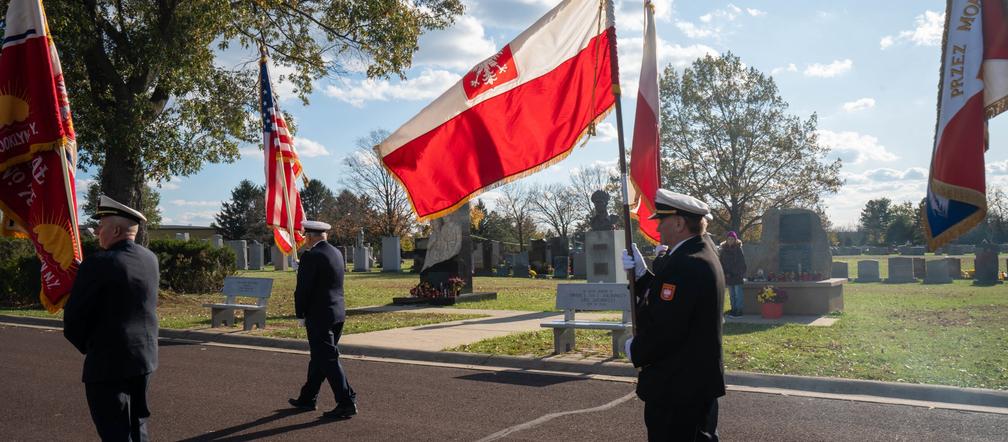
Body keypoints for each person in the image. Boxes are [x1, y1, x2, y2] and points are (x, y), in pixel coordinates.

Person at [621, 189, 726, 441]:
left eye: (662, 221)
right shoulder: (698, 253)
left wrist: (636, 349)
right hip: (693, 383)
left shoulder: (687, 263)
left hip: (678, 387)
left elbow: (668, 326)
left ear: (679, 223)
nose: (657, 228)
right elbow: (673, 301)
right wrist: (642, 276)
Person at [64, 195, 159, 441]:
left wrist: (91, 347)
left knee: (115, 431)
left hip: (108, 362)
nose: (97, 232)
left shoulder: (98, 263)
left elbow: (74, 320)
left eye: (101, 226)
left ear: (116, 230)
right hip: (144, 358)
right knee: (138, 426)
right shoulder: (150, 258)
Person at [288, 220, 357, 419]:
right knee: (320, 357)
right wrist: (304, 267)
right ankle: (307, 398)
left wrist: (300, 313)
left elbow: (303, 290)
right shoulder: (335, 252)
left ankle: (346, 402)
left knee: (328, 359)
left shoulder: (311, 256)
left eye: (304, 237)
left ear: (309, 236)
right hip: (336, 313)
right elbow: (324, 279)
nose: (304, 240)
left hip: (319, 316)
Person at [719, 231, 747, 317]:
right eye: (729, 239)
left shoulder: (738, 249)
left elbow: (741, 263)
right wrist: (725, 273)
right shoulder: (723, 250)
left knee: (738, 294)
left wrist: (737, 273)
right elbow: (721, 262)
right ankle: (733, 309)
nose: (730, 240)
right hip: (728, 276)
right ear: (726, 240)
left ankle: (739, 311)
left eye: (732, 239)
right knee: (732, 295)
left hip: (737, 275)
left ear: (735, 240)